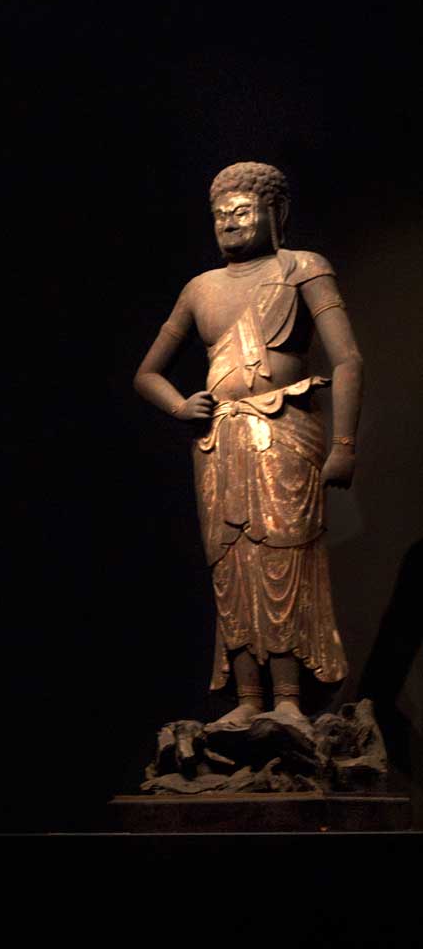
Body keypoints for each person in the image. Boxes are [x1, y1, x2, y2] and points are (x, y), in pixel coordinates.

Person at [134, 161, 364, 728]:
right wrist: (179, 405)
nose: (230, 223)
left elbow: (349, 358)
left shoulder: (301, 268)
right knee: (231, 565)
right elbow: (147, 373)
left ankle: (288, 698)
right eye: (220, 215)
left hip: (285, 431)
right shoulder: (200, 289)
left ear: (275, 213)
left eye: (242, 211)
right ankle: (248, 699)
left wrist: (344, 444)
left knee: (281, 557)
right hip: (220, 440)